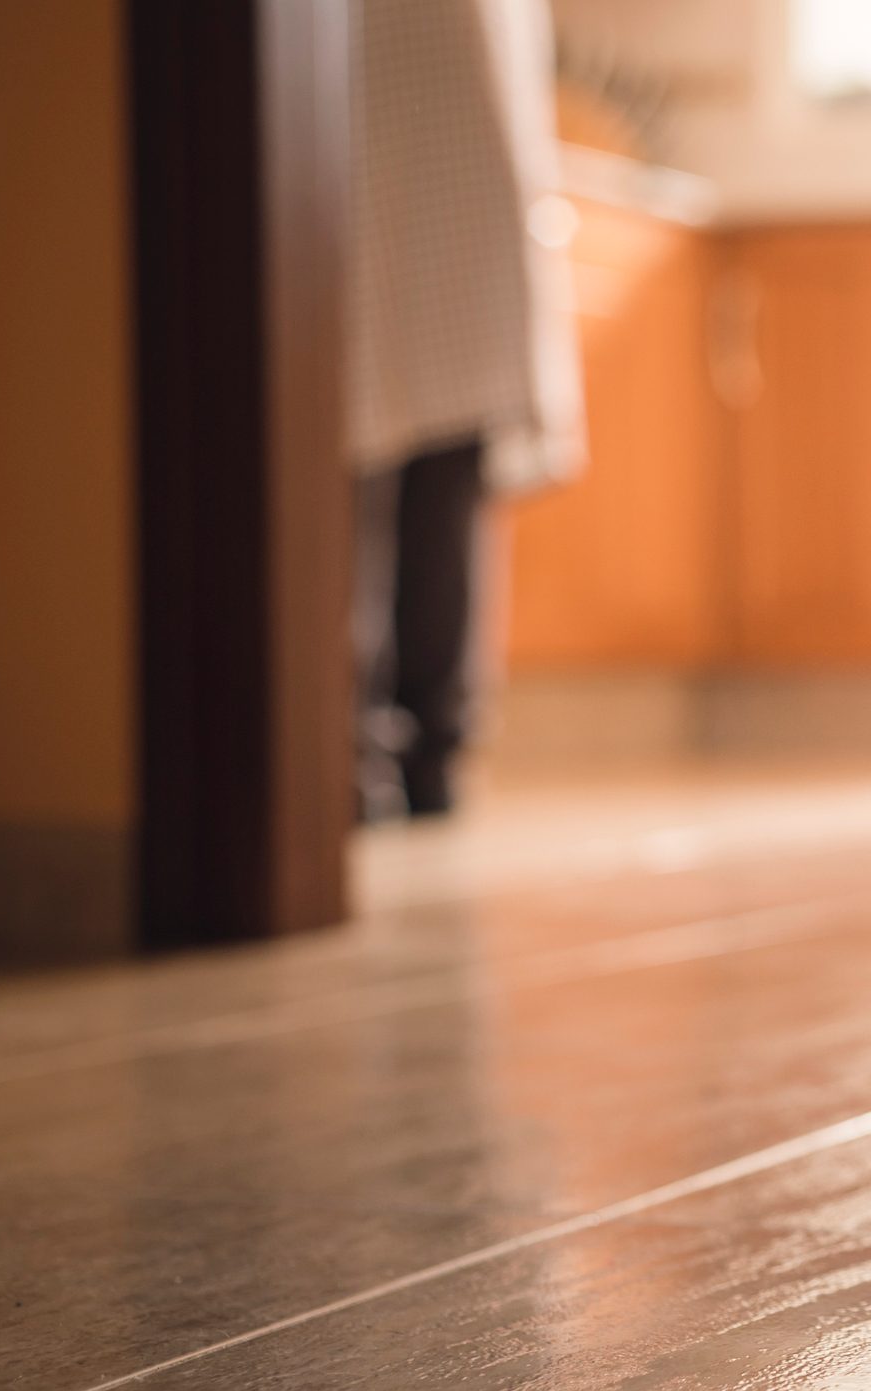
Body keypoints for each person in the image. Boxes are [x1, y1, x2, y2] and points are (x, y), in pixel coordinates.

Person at [349, 0, 584, 819]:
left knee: (421, 469)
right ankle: (380, 750)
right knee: (375, 470)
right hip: (371, 143)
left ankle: (409, 753)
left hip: (452, 153)